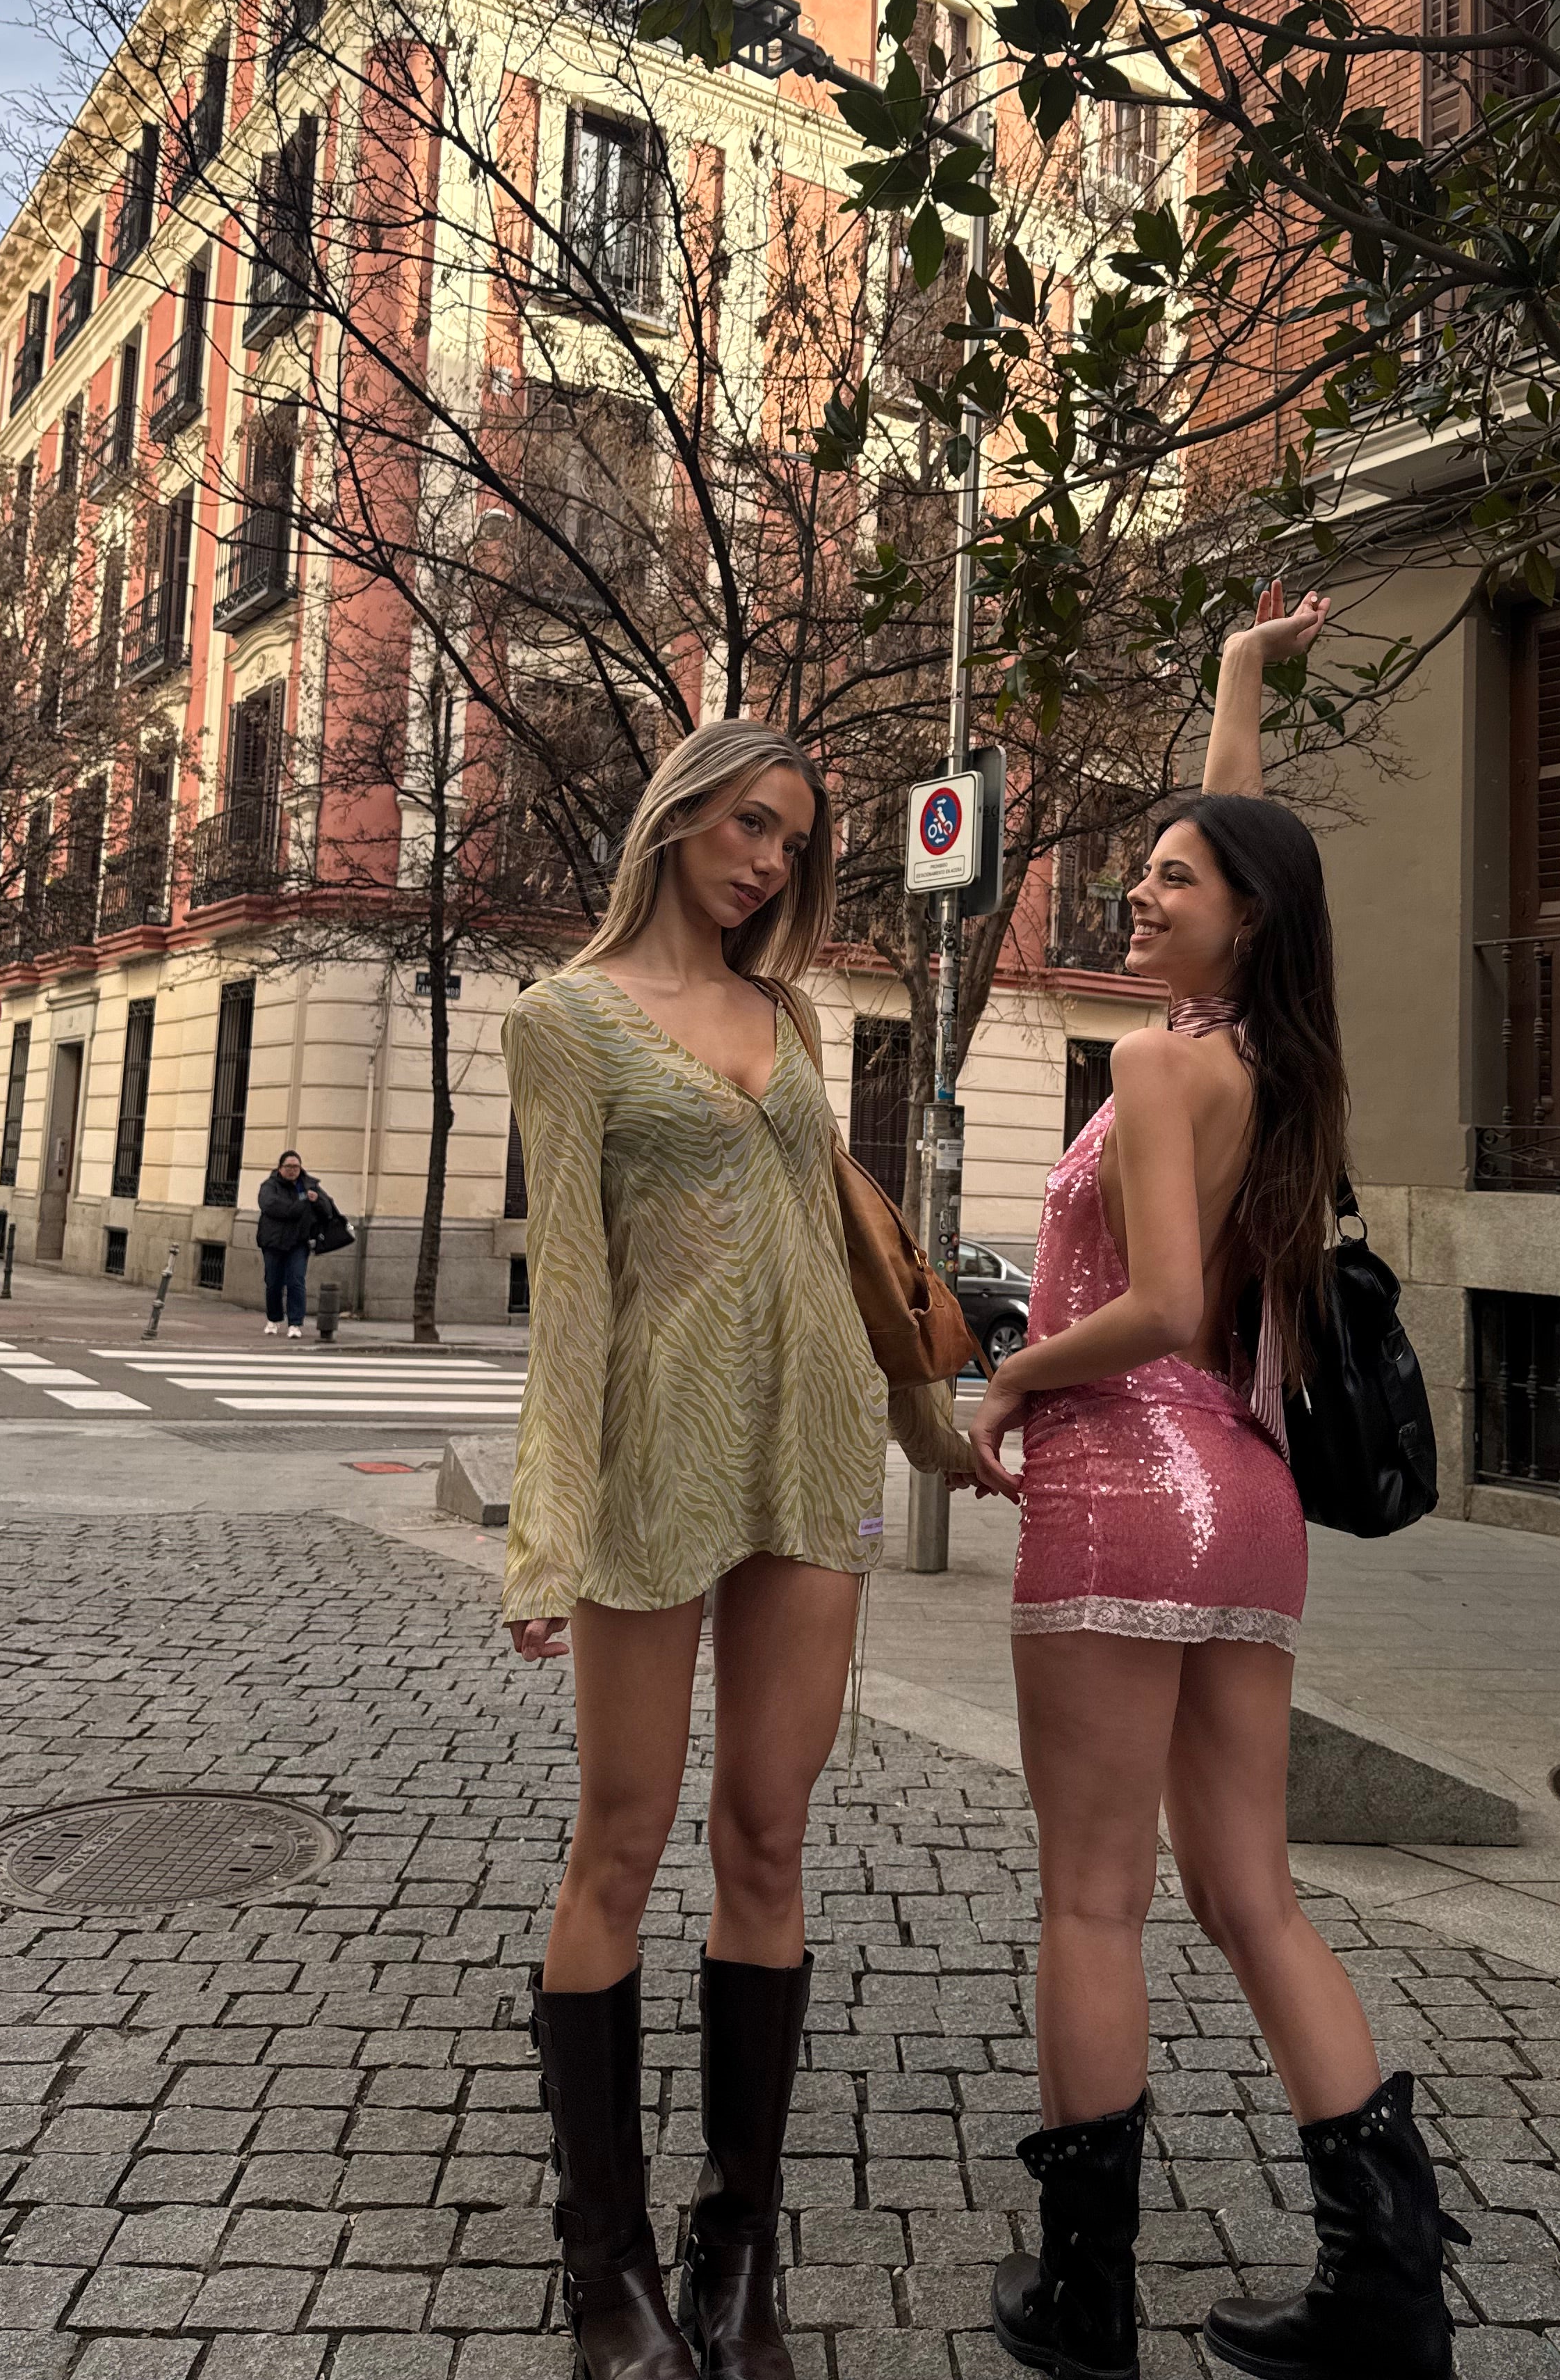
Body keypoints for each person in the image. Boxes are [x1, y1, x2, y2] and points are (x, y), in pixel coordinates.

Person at [966, 587, 1466, 2380]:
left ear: (1240, 915)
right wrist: (1244, 681)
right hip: (1247, 1503)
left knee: (1094, 1897)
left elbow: (1166, 1310)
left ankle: (1085, 2299)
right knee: (1253, 1893)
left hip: (1125, 1478)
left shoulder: (1154, 1060)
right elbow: (1249, 837)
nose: (1139, 889)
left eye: (1171, 877)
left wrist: (1013, 1374)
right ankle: (1388, 2289)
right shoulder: (1271, 1056)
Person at [501, 720, 891, 2380]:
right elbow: (571, 1290)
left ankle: (741, 2256)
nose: (768, 862)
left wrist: (938, 1427)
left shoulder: (787, 1015)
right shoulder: (564, 1019)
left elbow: (837, 1239)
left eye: (792, 841)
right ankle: (608, 2270)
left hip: (815, 1446)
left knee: (768, 1838)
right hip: (656, 1457)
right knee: (620, 1838)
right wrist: (546, 1530)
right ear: (677, 817)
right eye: (749, 825)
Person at [255, 1151, 321, 1338]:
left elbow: (326, 1209)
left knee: (296, 1281)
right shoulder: (269, 1186)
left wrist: (316, 1201)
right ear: (280, 1168)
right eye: (289, 1167)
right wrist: (301, 1203)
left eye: (296, 1167)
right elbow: (272, 1206)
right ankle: (274, 1319)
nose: (293, 1170)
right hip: (273, 1241)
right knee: (273, 1282)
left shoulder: (309, 1185)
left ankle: (295, 1323)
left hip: (299, 1242)